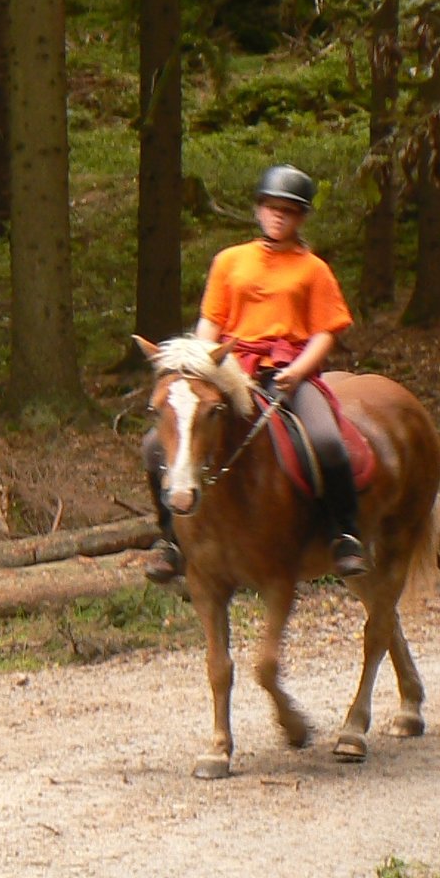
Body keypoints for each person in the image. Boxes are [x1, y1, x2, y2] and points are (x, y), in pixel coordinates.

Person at [143, 163, 369, 585]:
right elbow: (211, 322)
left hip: (288, 370)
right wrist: (198, 366)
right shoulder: (229, 261)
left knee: (327, 442)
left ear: (301, 217)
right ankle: (170, 541)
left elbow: (327, 331)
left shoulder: (314, 269)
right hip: (230, 370)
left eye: (289, 210)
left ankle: (344, 534)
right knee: (155, 446)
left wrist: (298, 371)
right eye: (271, 207)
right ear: (258, 210)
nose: (278, 216)